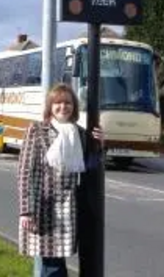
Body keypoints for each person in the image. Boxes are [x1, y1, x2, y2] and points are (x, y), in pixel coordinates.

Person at [17, 83, 104, 277]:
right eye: (58, 103)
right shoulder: (37, 130)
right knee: (52, 264)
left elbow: (90, 168)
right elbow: (25, 172)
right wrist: (26, 210)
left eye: (68, 103)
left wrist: (99, 145)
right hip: (43, 208)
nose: (63, 107)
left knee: (57, 262)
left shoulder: (80, 133)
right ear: (50, 106)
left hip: (70, 208)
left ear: (74, 106)